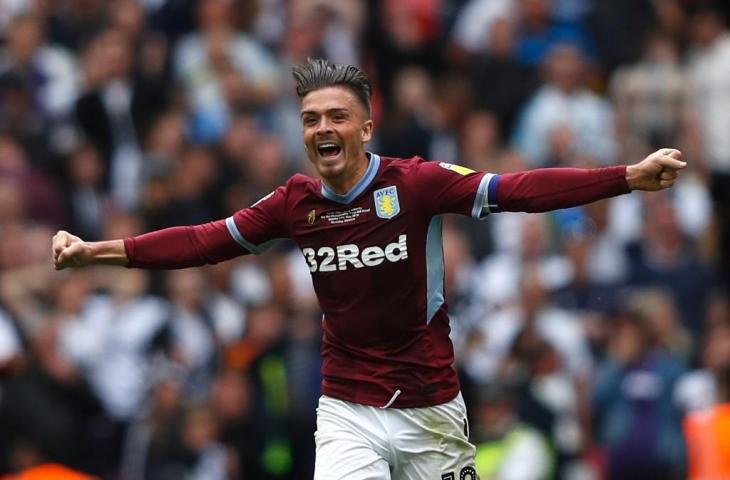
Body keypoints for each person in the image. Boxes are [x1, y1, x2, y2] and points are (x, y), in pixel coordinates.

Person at [52, 58, 686, 479]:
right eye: (310, 119)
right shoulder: (294, 203)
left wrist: (626, 177)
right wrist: (98, 251)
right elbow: (202, 241)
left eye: (335, 116)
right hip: (347, 406)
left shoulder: (417, 184)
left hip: (430, 409)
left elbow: (519, 187)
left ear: (365, 126)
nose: (321, 128)